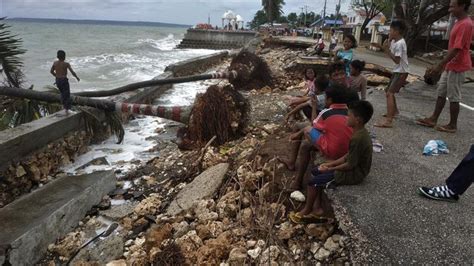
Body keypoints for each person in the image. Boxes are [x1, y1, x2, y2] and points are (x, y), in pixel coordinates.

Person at [289, 100, 374, 223]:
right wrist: (329, 164)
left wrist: (330, 169)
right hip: (352, 168)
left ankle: (307, 210)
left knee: (313, 182)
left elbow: (350, 164)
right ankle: (316, 206)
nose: (346, 118)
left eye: (349, 116)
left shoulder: (358, 138)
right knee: (315, 171)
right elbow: (347, 156)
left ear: (358, 120)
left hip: (355, 174)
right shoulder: (359, 133)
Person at [282, 84, 353, 191]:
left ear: (329, 100)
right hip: (347, 151)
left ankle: (297, 178)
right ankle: (293, 168)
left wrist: (314, 107)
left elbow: (313, 124)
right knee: (305, 144)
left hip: (333, 151)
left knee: (307, 130)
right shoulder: (351, 113)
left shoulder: (327, 113)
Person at [416, 0, 473, 133]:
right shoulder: (459, 22)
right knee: (441, 92)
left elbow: (456, 49)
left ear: (462, 6)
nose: (449, 10)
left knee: (454, 96)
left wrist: (439, 65)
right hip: (451, 65)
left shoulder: (466, 24)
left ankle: (452, 125)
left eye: (453, 7)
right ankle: (433, 118)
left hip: (458, 66)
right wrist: (443, 65)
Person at [372, 20, 409, 128]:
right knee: (388, 91)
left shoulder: (400, 44)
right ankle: (394, 112)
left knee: (390, 94)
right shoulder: (395, 42)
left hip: (401, 71)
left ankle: (389, 120)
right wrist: (382, 46)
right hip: (398, 70)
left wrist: (385, 50)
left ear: (397, 31)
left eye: (391, 30)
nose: (389, 32)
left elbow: (397, 60)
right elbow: (389, 51)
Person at [50, 50, 80, 115]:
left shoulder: (55, 63)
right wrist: (77, 77)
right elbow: (72, 72)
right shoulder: (66, 64)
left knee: (62, 94)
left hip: (58, 80)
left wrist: (57, 76)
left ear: (58, 56)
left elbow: (51, 71)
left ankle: (64, 108)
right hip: (64, 80)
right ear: (64, 57)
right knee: (67, 95)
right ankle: (67, 110)